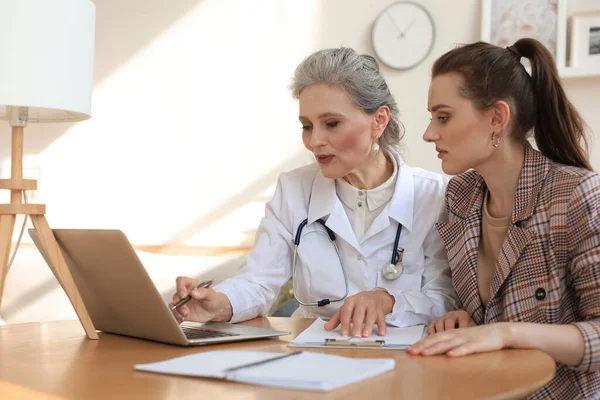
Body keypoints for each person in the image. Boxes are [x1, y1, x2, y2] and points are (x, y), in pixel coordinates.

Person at [170, 47, 458, 338]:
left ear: (379, 121)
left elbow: (446, 299)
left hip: (406, 359)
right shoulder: (294, 189)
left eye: (331, 124)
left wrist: (389, 301)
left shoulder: (434, 195)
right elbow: (258, 281)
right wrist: (219, 303)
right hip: (314, 353)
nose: (314, 141)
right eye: (307, 126)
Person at [409, 38, 600, 399]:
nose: (429, 133)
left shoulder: (577, 195)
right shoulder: (459, 196)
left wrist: (506, 332)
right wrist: (461, 318)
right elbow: (476, 311)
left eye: (443, 117)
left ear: (497, 117)